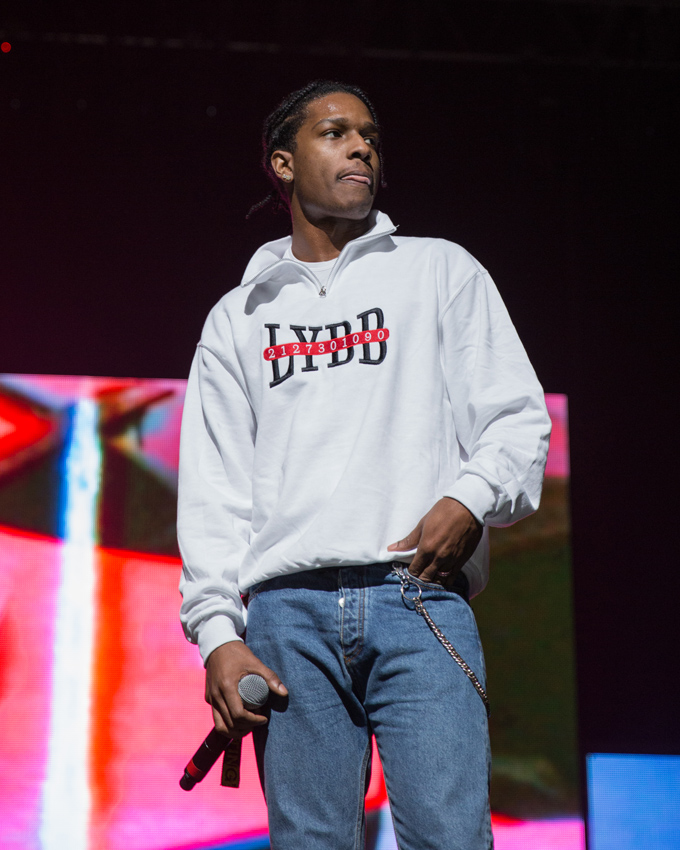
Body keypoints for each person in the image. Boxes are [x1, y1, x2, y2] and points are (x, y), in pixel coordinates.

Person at [178, 79, 551, 850]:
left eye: (371, 136)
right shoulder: (240, 317)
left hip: (417, 598)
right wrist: (218, 634)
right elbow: (214, 490)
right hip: (286, 618)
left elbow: (516, 421)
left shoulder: (439, 271)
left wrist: (469, 496)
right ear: (283, 164)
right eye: (335, 133)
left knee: (449, 839)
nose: (361, 148)